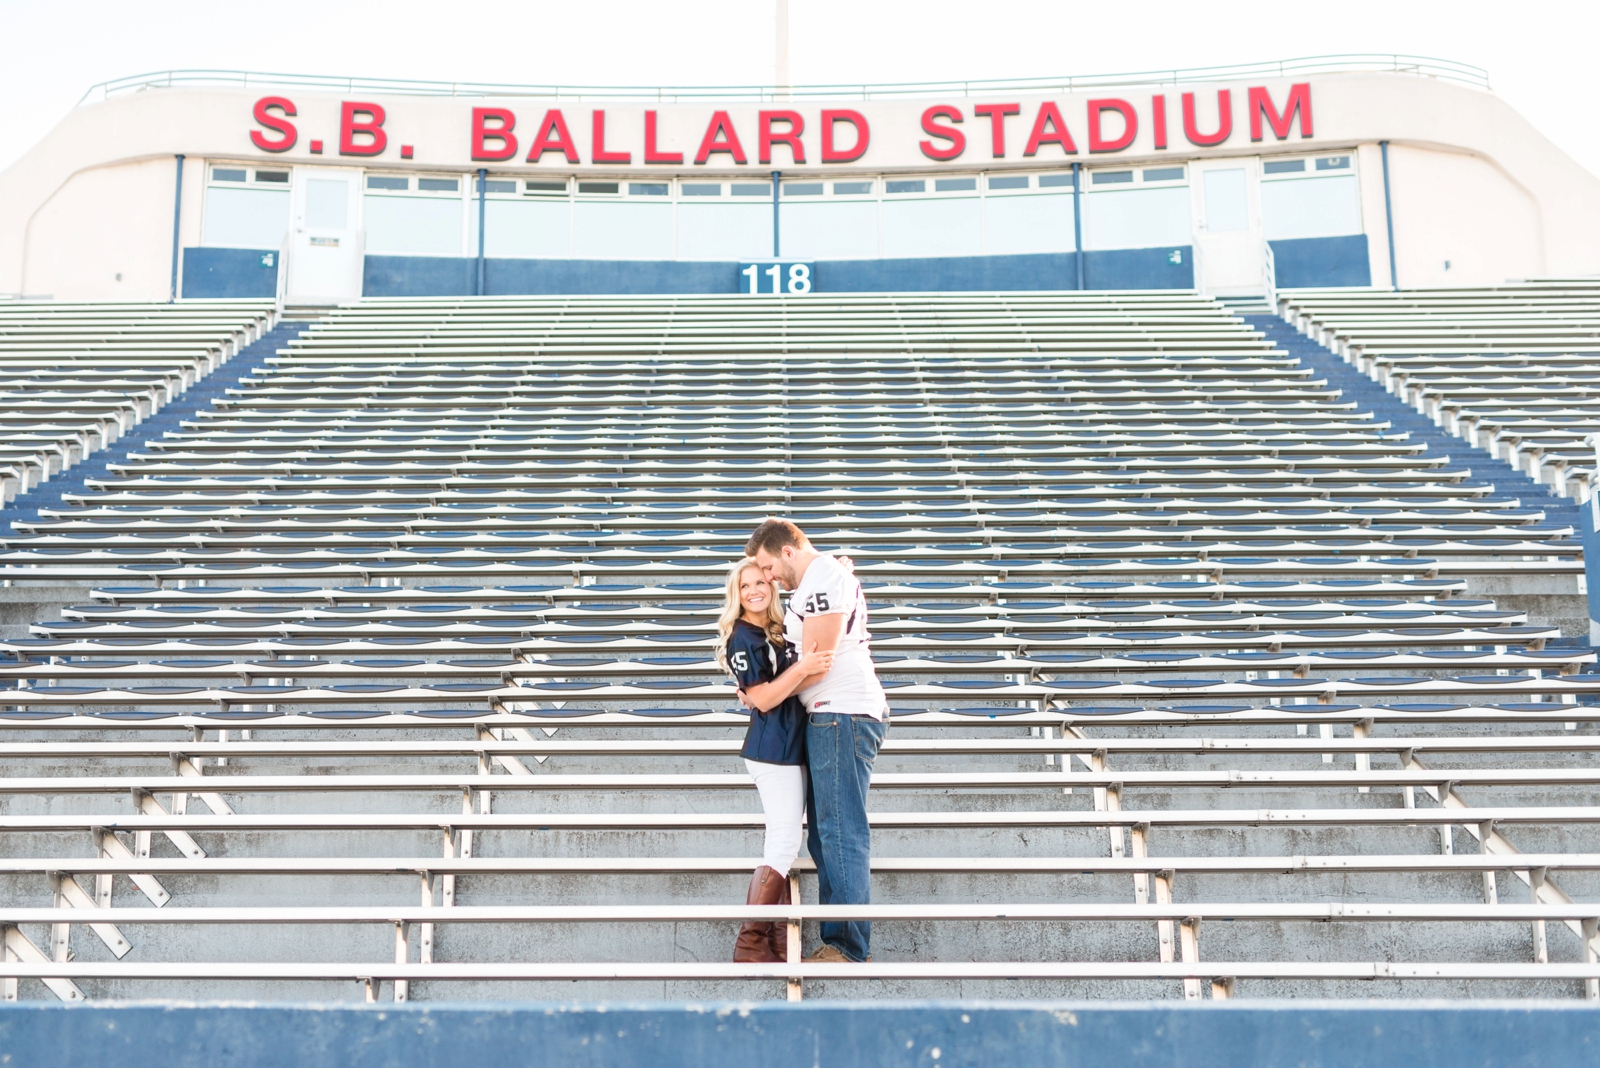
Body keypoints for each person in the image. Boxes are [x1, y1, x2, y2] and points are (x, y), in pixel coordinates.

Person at [745, 518, 888, 964]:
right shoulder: (820, 580)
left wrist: (765, 694)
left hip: (841, 711)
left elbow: (819, 661)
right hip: (830, 713)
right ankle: (840, 939)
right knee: (827, 835)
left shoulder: (823, 577)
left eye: (768, 567)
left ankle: (846, 946)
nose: (768, 578)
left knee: (840, 830)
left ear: (788, 551)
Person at [714, 556, 834, 963]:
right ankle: (749, 942)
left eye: (760, 583)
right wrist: (800, 670)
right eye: (745, 586)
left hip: (791, 745)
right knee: (783, 841)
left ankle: (777, 943)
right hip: (772, 751)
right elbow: (764, 698)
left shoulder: (776, 630)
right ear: (737, 594)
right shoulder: (743, 637)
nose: (754, 591)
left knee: (786, 840)